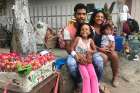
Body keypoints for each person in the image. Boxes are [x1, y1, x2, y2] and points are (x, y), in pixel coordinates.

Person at [63, 3, 104, 92]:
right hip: (74, 52)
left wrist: (91, 53)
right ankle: (79, 83)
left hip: (88, 51)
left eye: (83, 14)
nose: (81, 16)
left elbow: (91, 44)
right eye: (79, 14)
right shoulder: (67, 29)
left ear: (86, 15)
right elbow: (67, 47)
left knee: (100, 61)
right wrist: (76, 55)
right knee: (71, 63)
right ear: (75, 15)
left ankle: (96, 83)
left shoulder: (90, 28)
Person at [89, 9, 120, 87]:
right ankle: (97, 79)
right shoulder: (90, 28)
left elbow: (111, 37)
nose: (100, 18)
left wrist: (112, 46)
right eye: (98, 16)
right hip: (94, 49)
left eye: (102, 17)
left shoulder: (105, 27)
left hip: (105, 49)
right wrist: (100, 49)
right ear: (93, 17)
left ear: (104, 19)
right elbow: (88, 42)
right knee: (104, 58)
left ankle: (115, 77)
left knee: (114, 55)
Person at [71, 23, 99, 93]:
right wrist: (76, 56)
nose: (84, 31)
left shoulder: (90, 40)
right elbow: (72, 48)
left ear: (89, 32)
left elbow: (95, 50)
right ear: (80, 32)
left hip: (89, 62)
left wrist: (91, 51)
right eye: (82, 29)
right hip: (81, 63)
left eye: (86, 29)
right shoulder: (78, 39)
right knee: (86, 77)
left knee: (93, 76)